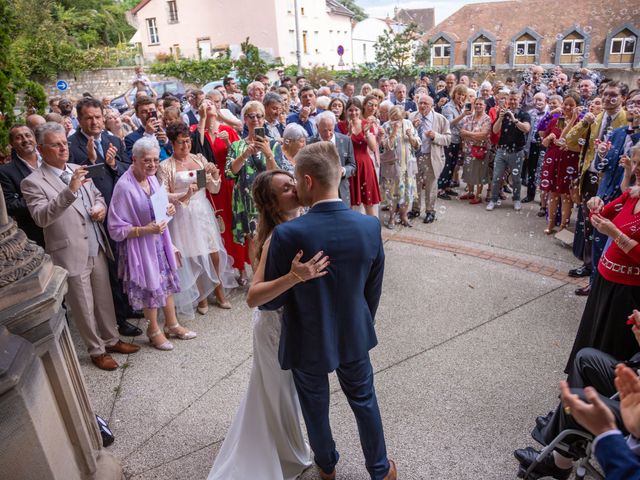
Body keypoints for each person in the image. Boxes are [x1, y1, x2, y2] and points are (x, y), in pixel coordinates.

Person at [262, 142, 397, 480]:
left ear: (307, 181)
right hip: (354, 330)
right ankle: (380, 470)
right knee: (365, 401)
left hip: (306, 336)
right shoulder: (369, 227)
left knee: (315, 407)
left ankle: (327, 466)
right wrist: (359, 321)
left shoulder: (287, 234)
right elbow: (372, 288)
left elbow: (270, 301)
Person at [207, 169, 328, 479]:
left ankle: (287, 446)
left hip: (293, 326)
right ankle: (276, 454)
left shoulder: (302, 222)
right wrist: (293, 277)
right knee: (276, 392)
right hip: (274, 328)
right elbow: (253, 297)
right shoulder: (276, 237)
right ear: (275, 205)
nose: (294, 188)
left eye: (293, 182)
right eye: (285, 189)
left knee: (279, 392)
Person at [21, 122, 139, 370]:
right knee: (83, 304)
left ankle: (111, 339)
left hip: (96, 244)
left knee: (104, 297)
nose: (64, 148)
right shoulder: (32, 182)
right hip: (68, 250)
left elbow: (96, 195)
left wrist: (101, 208)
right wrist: (70, 190)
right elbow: (41, 217)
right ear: (42, 149)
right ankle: (96, 350)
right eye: (56, 144)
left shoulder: (78, 168)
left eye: (64, 142)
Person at [108, 137, 197, 351]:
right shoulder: (124, 187)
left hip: (159, 241)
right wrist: (145, 229)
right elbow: (115, 228)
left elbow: (159, 202)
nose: (153, 165)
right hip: (139, 245)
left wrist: (170, 209)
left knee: (165, 283)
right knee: (150, 288)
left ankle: (173, 324)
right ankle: (153, 330)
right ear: (134, 159)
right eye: (147, 161)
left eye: (156, 160)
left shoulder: (152, 179)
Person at [68, 97, 142, 337]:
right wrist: (91, 160)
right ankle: (119, 319)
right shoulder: (71, 145)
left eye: (98, 117)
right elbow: (75, 180)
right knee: (109, 269)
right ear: (79, 119)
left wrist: (111, 164)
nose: (94, 122)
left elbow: (125, 170)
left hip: (120, 212)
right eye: (88, 117)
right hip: (96, 216)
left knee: (125, 263)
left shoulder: (112, 139)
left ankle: (130, 305)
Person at [159, 122, 236, 317]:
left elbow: (213, 189)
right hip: (183, 214)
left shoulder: (199, 159)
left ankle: (219, 291)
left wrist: (214, 175)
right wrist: (184, 194)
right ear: (172, 144)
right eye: (180, 143)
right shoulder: (166, 166)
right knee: (192, 255)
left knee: (213, 252)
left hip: (202, 210)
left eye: (187, 141)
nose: (185, 147)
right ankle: (200, 295)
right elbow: (163, 195)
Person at [191, 99, 251, 283]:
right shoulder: (195, 129)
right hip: (208, 180)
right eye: (204, 102)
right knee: (215, 225)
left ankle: (241, 267)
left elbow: (239, 159)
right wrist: (201, 119)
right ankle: (219, 273)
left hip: (228, 181)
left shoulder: (229, 130)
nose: (208, 104)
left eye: (211, 102)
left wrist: (227, 144)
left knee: (234, 224)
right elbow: (196, 151)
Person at [226, 101, 291, 261]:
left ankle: (274, 277)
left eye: (260, 116)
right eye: (251, 116)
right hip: (247, 202)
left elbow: (278, 173)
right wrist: (244, 155)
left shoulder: (274, 144)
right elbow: (229, 172)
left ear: (264, 119)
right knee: (254, 243)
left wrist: (268, 153)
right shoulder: (237, 146)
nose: (256, 119)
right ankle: (257, 280)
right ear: (245, 120)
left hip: (270, 199)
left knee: (275, 238)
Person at [539, 91, 582, 234]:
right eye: (566, 104)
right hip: (553, 161)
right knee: (553, 194)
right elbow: (544, 143)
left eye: (572, 105)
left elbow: (582, 148)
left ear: (577, 106)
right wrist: (549, 138)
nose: (568, 107)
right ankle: (550, 224)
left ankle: (563, 226)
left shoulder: (580, 123)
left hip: (569, 162)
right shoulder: (555, 121)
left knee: (566, 196)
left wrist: (568, 146)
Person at [409, 94, 452, 223]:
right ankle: (415, 209)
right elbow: (406, 137)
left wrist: (435, 136)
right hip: (415, 157)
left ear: (432, 105)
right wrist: (412, 128)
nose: (422, 106)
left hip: (431, 157)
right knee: (415, 184)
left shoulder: (440, 119)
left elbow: (448, 139)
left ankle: (430, 211)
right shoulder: (412, 117)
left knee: (431, 186)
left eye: (425, 104)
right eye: (420, 103)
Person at [486, 90, 531, 212]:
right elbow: (495, 131)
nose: (512, 101)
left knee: (516, 179)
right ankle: (493, 200)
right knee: (496, 177)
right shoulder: (502, 113)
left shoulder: (524, 114)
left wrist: (514, 118)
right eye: (510, 99)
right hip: (502, 150)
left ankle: (516, 199)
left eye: (515, 99)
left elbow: (526, 128)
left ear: (519, 100)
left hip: (517, 151)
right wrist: (500, 118)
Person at [0, 125, 45, 247]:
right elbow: (10, 205)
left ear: (35, 138)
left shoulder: (50, 158)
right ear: (12, 144)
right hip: (37, 233)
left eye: (28, 135)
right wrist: (43, 199)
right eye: (18, 138)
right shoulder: (6, 172)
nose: (25, 140)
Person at [337, 98, 381, 216]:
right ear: (346, 111)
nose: (354, 113)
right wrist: (349, 134)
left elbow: (372, 147)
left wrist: (366, 133)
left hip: (364, 165)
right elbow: (340, 147)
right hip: (349, 166)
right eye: (350, 110)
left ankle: (373, 228)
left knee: (368, 201)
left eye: (356, 110)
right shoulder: (341, 125)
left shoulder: (366, 124)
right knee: (349, 201)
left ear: (360, 110)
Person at [381, 105, 420, 228]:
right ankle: (392, 217)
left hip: (407, 165)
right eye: (393, 118)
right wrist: (393, 131)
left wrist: (411, 137)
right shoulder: (386, 126)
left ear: (403, 116)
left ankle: (404, 216)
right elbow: (385, 146)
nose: (396, 121)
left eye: (399, 118)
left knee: (407, 192)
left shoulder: (408, 124)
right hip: (392, 166)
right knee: (392, 193)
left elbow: (417, 144)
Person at [309, 111, 356, 208]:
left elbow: (352, 166)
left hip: (341, 190)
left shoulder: (345, 140)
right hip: (319, 192)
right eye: (324, 131)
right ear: (317, 127)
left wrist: (343, 171)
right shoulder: (310, 142)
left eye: (330, 130)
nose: (327, 134)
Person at [459, 97, 491, 203]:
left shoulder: (487, 119)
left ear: (485, 106)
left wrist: (469, 134)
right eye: (476, 104)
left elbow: (483, 135)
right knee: (468, 170)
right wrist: (474, 135)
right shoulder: (469, 117)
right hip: (468, 148)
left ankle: (478, 195)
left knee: (479, 172)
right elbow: (462, 133)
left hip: (481, 149)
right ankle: (470, 192)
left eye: (481, 104)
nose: (478, 106)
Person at [439, 84, 468, 199]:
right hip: (449, 140)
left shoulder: (460, 107)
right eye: (459, 94)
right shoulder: (448, 107)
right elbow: (449, 123)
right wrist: (462, 115)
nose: (460, 96)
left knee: (453, 164)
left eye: (463, 95)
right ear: (454, 93)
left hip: (457, 140)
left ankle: (447, 187)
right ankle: (440, 189)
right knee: (446, 165)